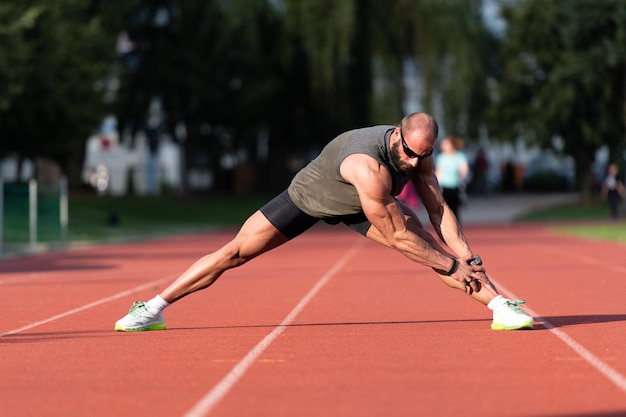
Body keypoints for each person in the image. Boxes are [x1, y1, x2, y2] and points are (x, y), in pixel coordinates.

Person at [115, 112, 533, 332]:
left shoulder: (419, 157)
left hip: (362, 207)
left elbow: (439, 211)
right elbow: (398, 235)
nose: (414, 162)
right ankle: (152, 309)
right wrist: (451, 265)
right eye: (409, 153)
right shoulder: (369, 166)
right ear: (396, 137)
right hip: (311, 197)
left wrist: (467, 255)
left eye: (423, 156)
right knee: (233, 254)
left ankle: (500, 307)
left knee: (439, 250)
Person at [435, 136, 469, 222]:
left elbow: (464, 170)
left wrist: (462, 178)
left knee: (455, 210)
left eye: (445, 144)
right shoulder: (441, 157)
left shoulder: (459, 156)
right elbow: (438, 172)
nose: (443, 145)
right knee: (445, 210)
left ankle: (457, 228)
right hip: (444, 188)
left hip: (456, 187)